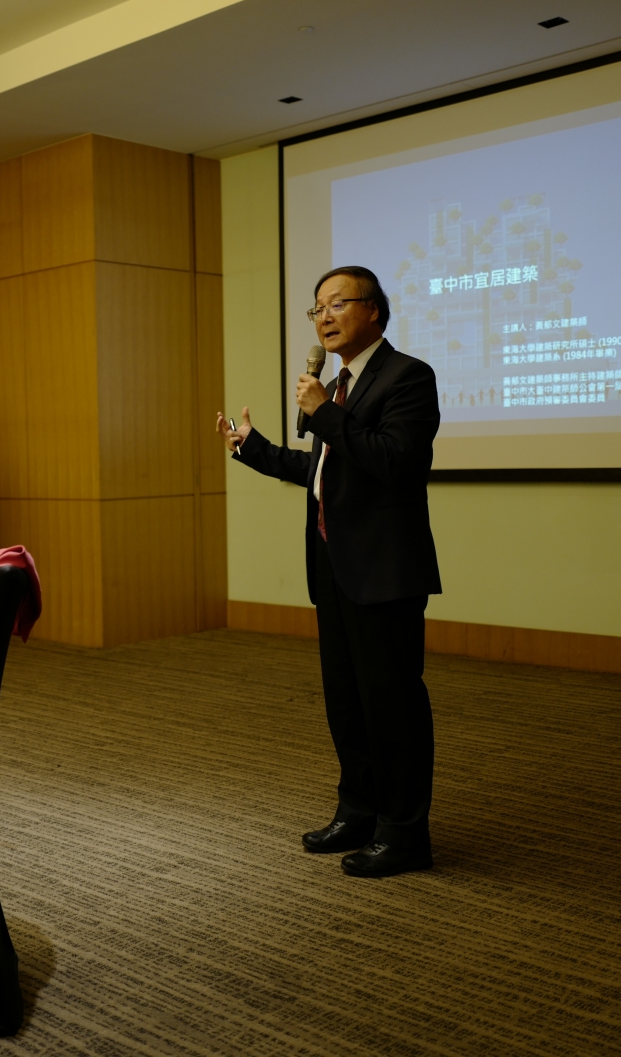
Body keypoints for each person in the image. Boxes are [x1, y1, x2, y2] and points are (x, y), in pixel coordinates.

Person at [219, 266, 442, 878]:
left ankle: (405, 833)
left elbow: (393, 461)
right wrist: (253, 447)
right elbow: (324, 473)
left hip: (384, 570)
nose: (323, 317)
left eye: (337, 304)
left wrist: (322, 413)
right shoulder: (339, 387)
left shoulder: (407, 377)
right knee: (346, 701)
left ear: (374, 310)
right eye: (317, 308)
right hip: (333, 565)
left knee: (392, 704)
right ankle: (359, 811)